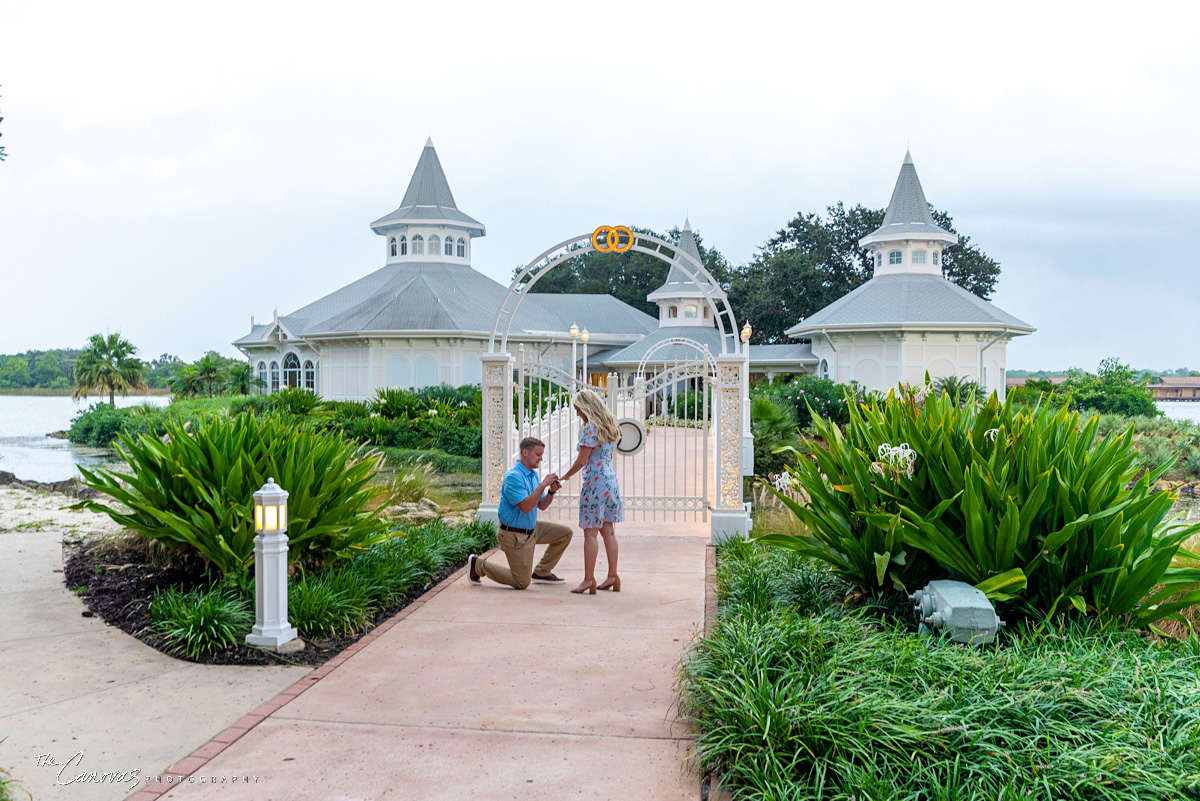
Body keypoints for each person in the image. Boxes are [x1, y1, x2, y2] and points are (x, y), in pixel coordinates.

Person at [468, 436, 572, 590]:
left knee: (565, 533)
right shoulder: (513, 477)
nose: (541, 459)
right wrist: (543, 485)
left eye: (541, 455)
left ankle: (542, 572)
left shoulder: (532, 475)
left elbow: (541, 505)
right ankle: (478, 565)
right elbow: (525, 507)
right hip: (514, 536)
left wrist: (550, 492)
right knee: (521, 582)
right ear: (525, 452)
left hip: (532, 529)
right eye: (538, 455)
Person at [557, 389, 624, 595]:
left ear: (586, 407)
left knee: (590, 533)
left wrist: (565, 476)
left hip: (594, 483)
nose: (578, 414)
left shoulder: (590, 427)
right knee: (608, 531)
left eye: (578, 409)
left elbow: (582, 460)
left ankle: (588, 580)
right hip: (610, 480)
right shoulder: (610, 424)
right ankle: (613, 575)